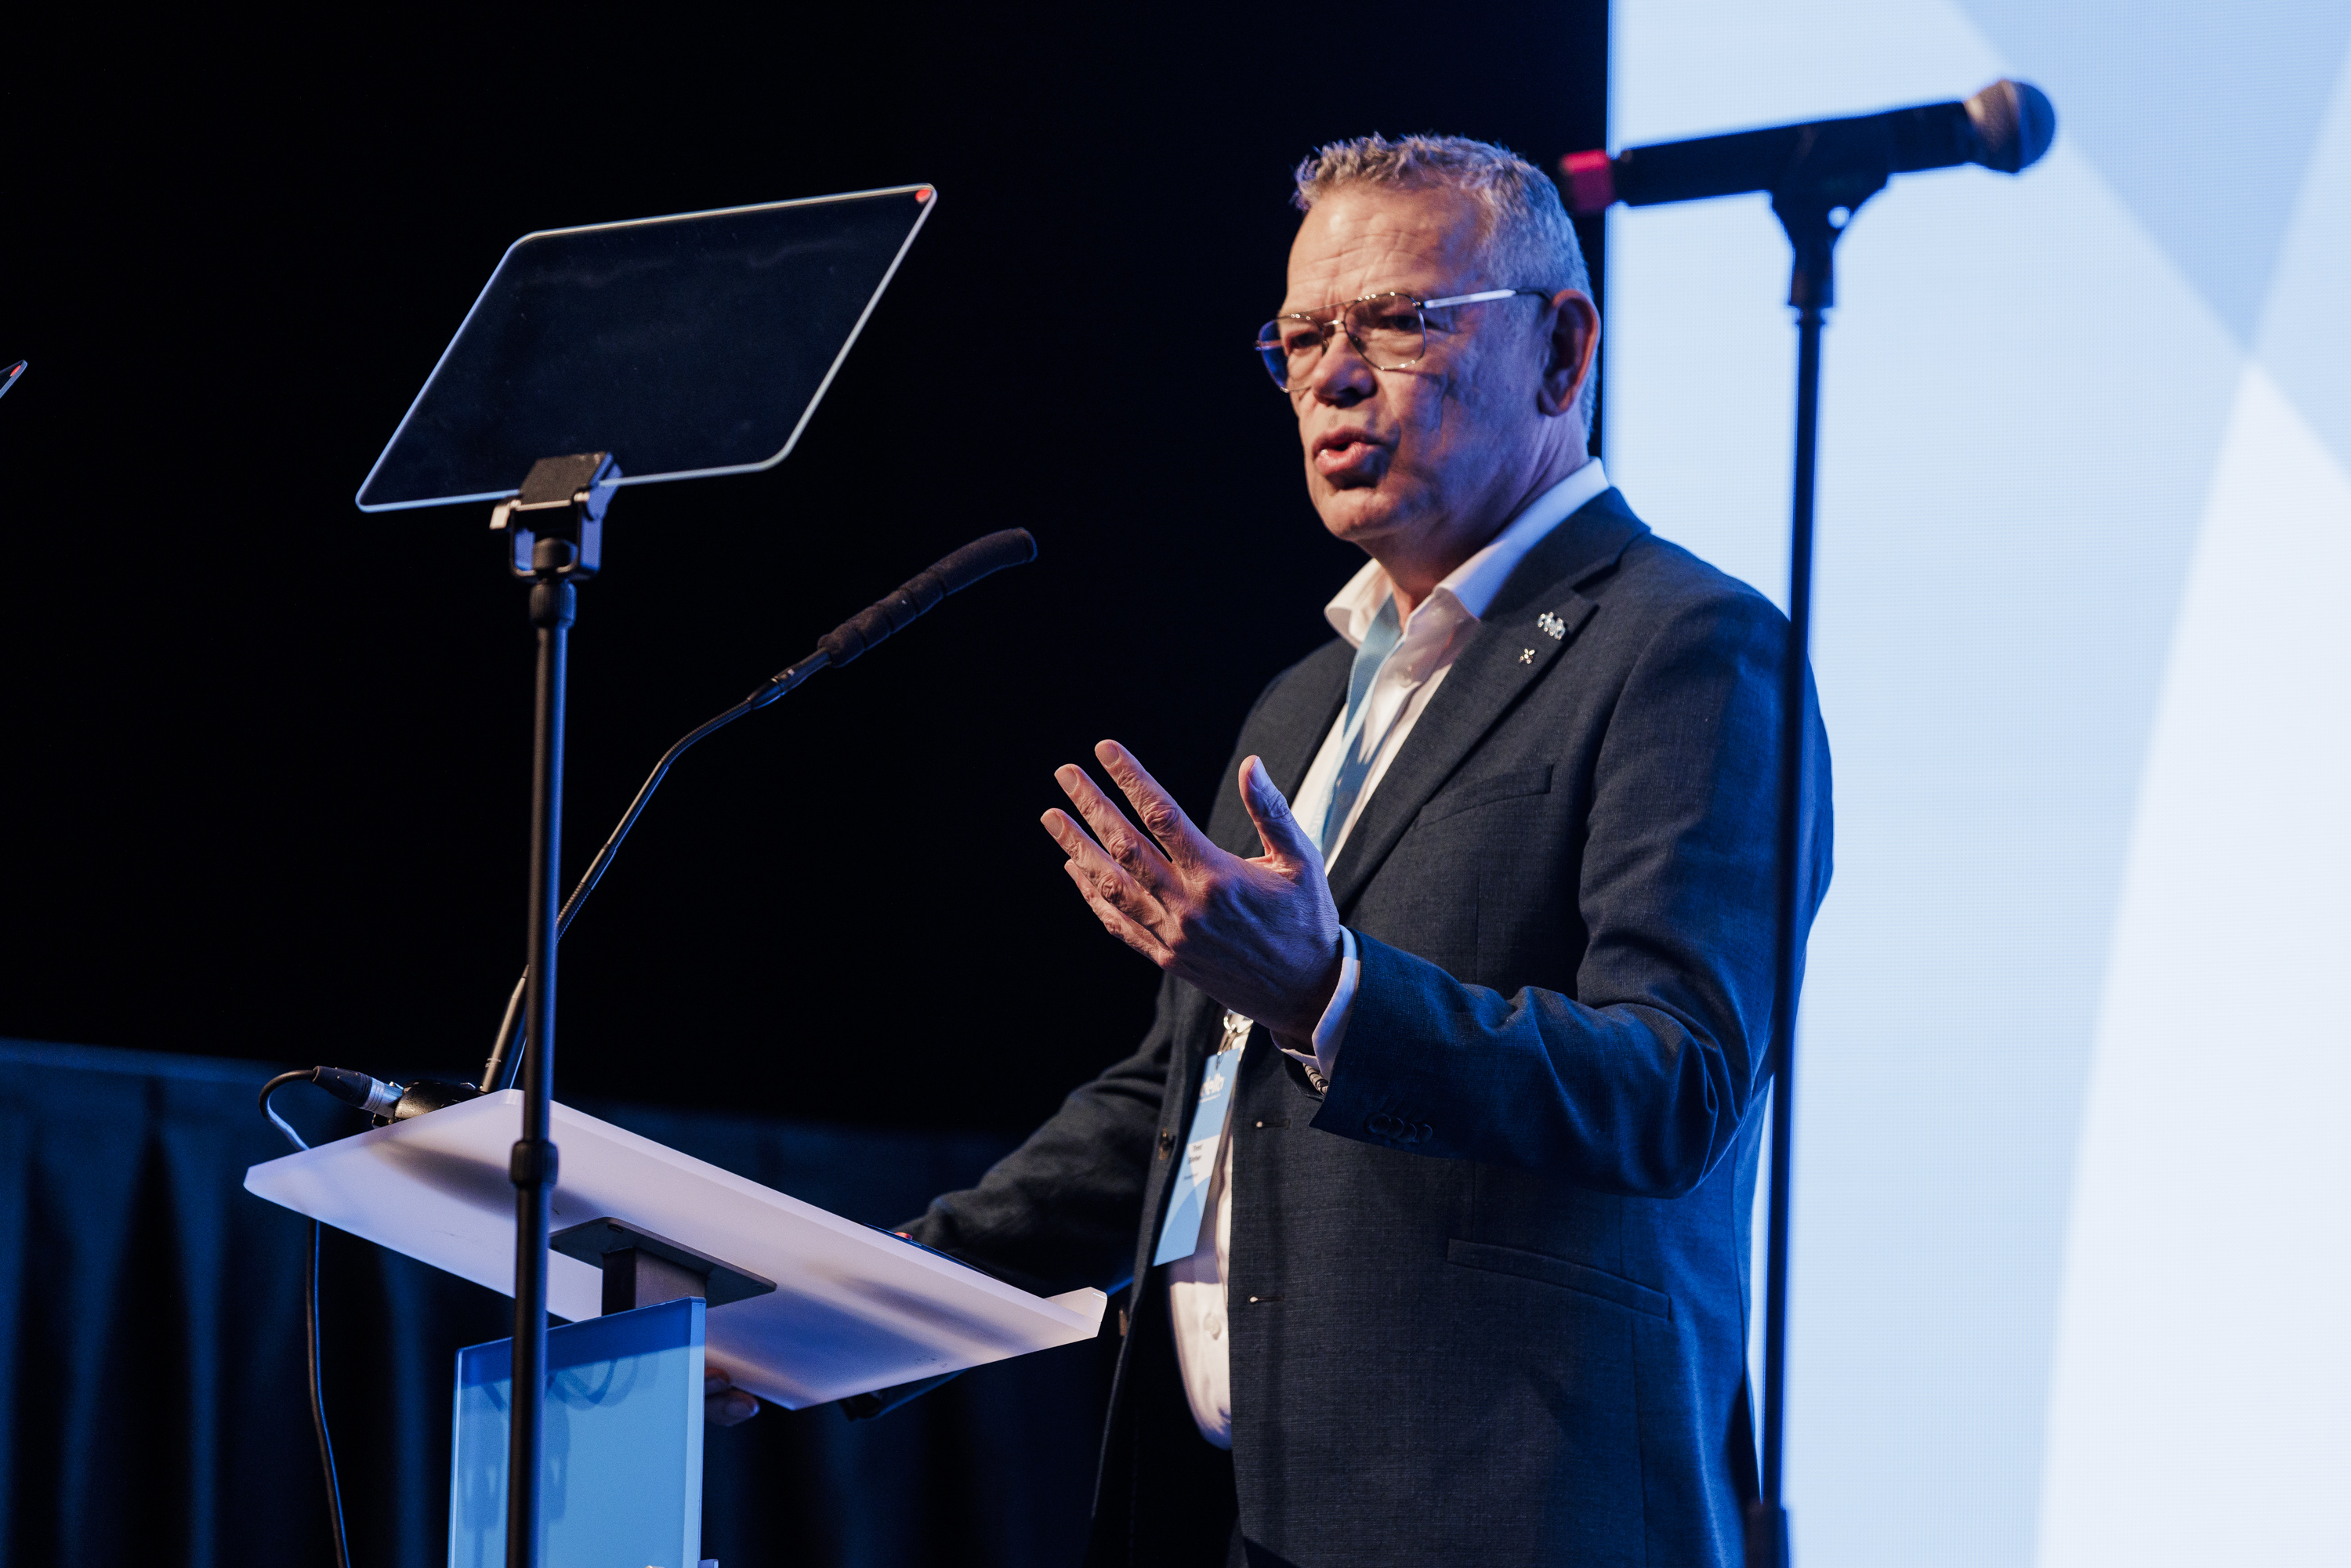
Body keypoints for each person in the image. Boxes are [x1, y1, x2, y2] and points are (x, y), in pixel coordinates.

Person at [735, 133, 1834, 1567]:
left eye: (1398, 321)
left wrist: (1331, 993)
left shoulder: (1687, 648)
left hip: (1518, 1515)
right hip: (1253, 1519)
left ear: (1563, 351)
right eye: (1303, 336)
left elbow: (1675, 1085)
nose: (1332, 376)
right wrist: (850, 1308)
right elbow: (1176, 1104)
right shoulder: (1308, 700)